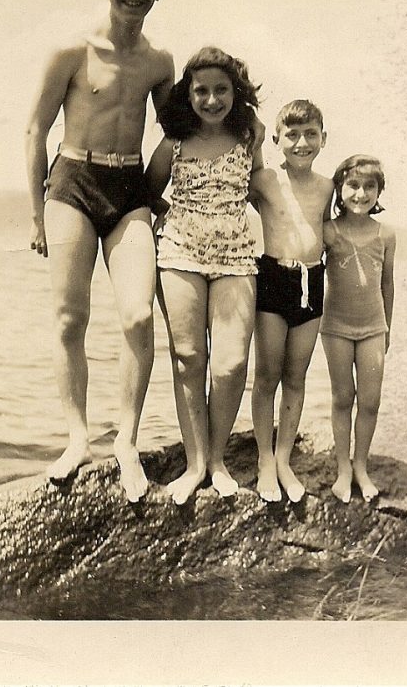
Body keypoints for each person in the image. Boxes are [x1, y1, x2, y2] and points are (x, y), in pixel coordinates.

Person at [24, 0, 175, 500]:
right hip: (72, 182)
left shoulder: (159, 62)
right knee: (70, 319)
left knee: (138, 316)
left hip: (129, 185)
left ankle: (128, 443)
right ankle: (76, 438)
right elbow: (36, 129)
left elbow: (183, 129)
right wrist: (34, 215)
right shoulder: (70, 50)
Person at [145, 47, 263, 505]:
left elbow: (261, 185)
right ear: (187, 93)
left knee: (231, 363)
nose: (211, 100)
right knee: (189, 357)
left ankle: (218, 459)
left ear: (236, 92)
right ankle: (196, 464)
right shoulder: (173, 141)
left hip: (236, 253)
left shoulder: (252, 134)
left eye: (221, 90)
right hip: (179, 252)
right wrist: (179, 219)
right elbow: (148, 190)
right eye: (201, 91)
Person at [248, 100, 334, 502]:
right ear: (280, 139)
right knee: (266, 375)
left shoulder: (328, 186)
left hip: (312, 280)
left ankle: (284, 459)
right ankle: (264, 458)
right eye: (293, 135)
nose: (302, 143)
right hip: (273, 277)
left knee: (296, 377)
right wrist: (259, 136)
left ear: (323, 138)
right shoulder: (264, 179)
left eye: (311, 134)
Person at [320, 155, 396, 503]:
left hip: (372, 328)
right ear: (339, 189)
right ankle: (342, 470)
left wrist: (388, 328)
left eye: (369, 187)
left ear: (379, 192)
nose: (361, 194)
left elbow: (387, 285)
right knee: (341, 397)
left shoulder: (386, 234)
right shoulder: (329, 232)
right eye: (352, 185)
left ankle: (361, 465)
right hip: (335, 326)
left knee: (370, 400)